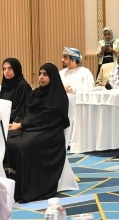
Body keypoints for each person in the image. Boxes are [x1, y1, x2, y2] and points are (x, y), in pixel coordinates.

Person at [5, 63, 70, 203]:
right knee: (8, 141)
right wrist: (16, 123)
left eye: (45, 74)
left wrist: (22, 124)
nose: (41, 77)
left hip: (49, 132)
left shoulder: (57, 96)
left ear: (52, 77)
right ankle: (14, 187)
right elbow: (24, 112)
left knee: (23, 146)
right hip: (31, 128)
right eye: (40, 73)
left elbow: (47, 117)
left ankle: (28, 189)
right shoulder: (34, 94)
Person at [0, 58, 33, 123]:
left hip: (16, 122)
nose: (6, 71)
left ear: (16, 69)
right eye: (4, 69)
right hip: (3, 120)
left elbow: (22, 110)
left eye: (10, 68)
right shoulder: (5, 85)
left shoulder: (23, 86)